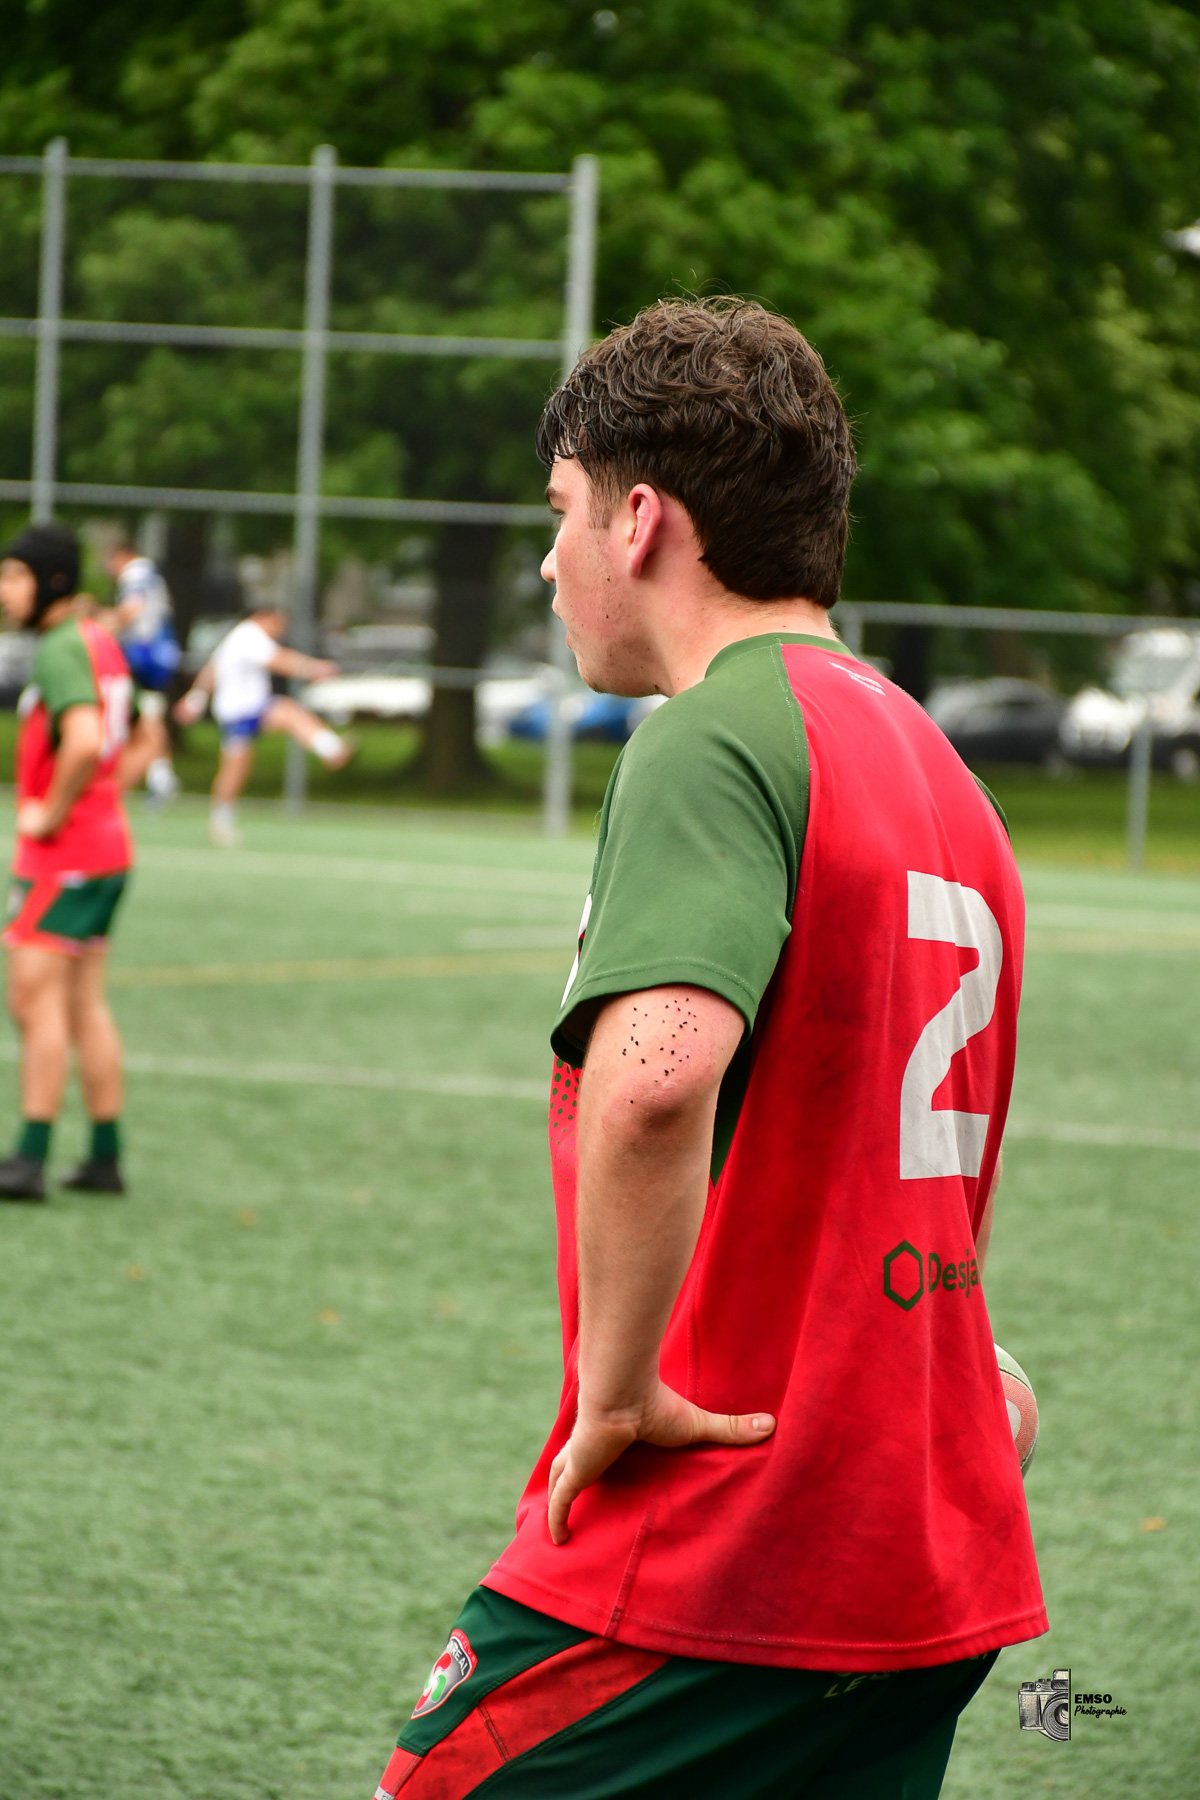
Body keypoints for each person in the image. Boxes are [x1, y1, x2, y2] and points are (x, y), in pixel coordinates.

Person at [371, 300, 1047, 1800]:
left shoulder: (716, 736)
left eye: (559, 516)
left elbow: (660, 1075)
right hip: (928, 1548)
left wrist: (614, 1392)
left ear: (643, 518)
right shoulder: (943, 771)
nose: (548, 564)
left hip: (730, 1536)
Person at [0, 523, 134, 1201]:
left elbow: (83, 740)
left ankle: (27, 1158)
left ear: (50, 581)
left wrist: (49, 814)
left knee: (31, 999)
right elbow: (132, 737)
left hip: (67, 854)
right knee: (84, 1003)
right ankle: (105, 1155)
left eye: (15, 576)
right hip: (109, 848)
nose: (3, 592)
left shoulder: (58, 648)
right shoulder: (97, 638)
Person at [175, 602, 351, 846]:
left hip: (251, 708)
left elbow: (212, 667)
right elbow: (279, 660)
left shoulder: (238, 635)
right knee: (237, 766)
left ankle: (331, 749)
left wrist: (196, 700)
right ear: (264, 617)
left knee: (287, 715)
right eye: (278, 622)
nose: (281, 629)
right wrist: (313, 668)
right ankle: (220, 821)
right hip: (240, 711)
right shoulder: (250, 635)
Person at [105, 538, 181, 804]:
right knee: (148, 713)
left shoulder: (135, 572)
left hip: (147, 654)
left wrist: (104, 627)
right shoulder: (149, 572)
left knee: (146, 714)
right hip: (156, 652)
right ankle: (160, 773)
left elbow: (132, 608)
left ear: (122, 555)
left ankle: (160, 777)